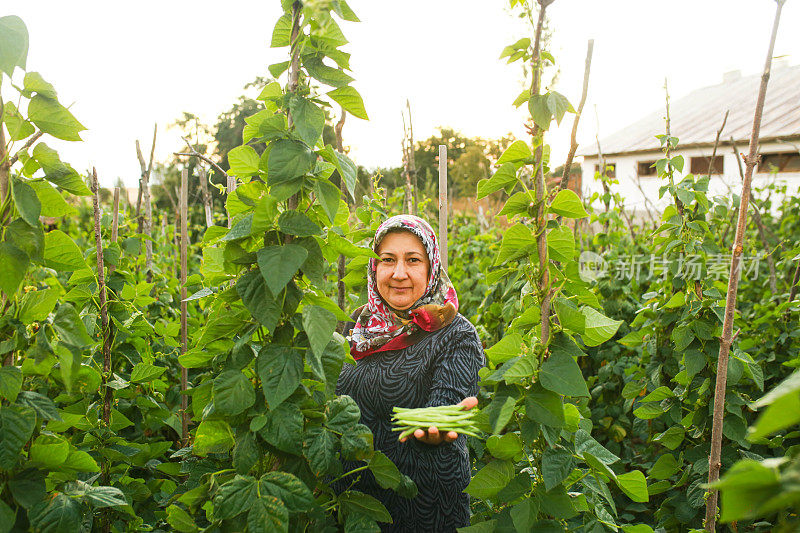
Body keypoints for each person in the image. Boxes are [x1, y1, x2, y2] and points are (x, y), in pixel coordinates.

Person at [336, 214, 485, 532]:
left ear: (431, 269)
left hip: (423, 508)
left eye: (413, 260)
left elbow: (446, 403)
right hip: (352, 504)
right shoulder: (355, 324)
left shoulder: (455, 333)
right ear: (374, 267)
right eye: (388, 259)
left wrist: (440, 424)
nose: (399, 273)